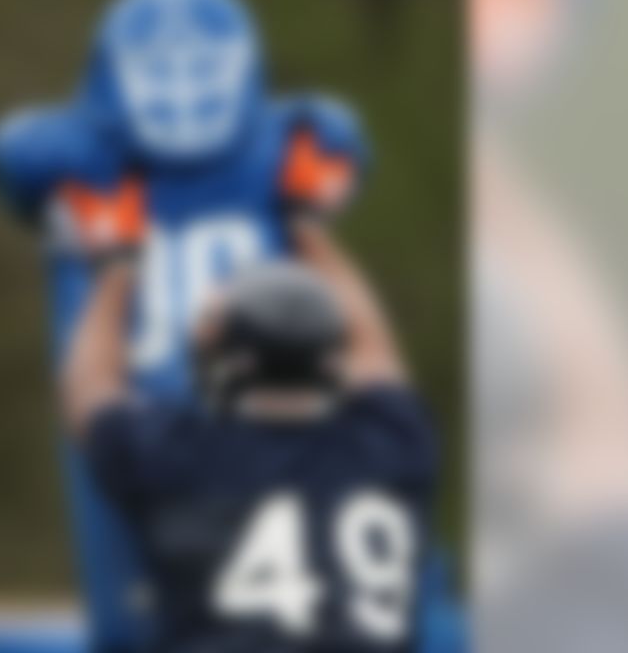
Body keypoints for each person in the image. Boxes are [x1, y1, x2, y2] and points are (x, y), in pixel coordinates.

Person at [0, 0, 368, 651]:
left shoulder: (283, 144)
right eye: (160, 72)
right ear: (112, 77)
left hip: (256, 416)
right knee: (134, 610)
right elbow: (11, 152)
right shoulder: (85, 157)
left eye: (202, 70)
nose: (185, 92)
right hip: (142, 420)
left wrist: (319, 173)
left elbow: (338, 131)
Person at [54, 174, 439, 652]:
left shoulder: (180, 452)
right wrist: (308, 225)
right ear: (331, 355)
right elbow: (374, 352)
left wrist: (116, 268)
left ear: (228, 362)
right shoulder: (393, 443)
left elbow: (91, 391)